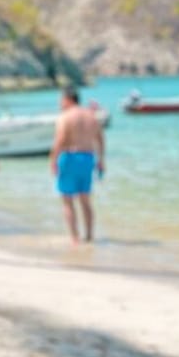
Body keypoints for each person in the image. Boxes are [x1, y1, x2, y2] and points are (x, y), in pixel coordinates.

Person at [50, 86, 105, 244]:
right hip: (88, 158)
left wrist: (53, 160)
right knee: (85, 200)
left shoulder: (65, 117)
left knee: (68, 201)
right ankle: (89, 236)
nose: (60, 103)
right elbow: (100, 139)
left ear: (67, 99)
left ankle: (75, 238)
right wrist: (101, 160)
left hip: (69, 157)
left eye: (61, 100)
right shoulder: (91, 116)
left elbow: (60, 139)